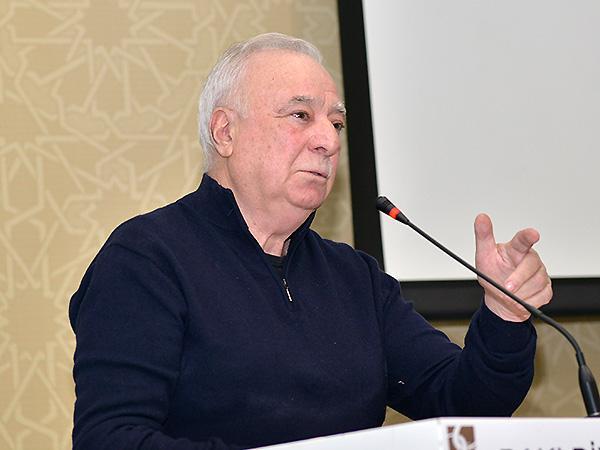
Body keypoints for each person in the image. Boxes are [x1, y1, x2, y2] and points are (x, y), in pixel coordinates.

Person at [69, 32, 552, 450]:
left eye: (336, 123)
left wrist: (504, 315)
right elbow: (111, 439)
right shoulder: (147, 259)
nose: (329, 141)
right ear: (225, 132)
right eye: (301, 115)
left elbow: (464, 406)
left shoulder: (354, 277)